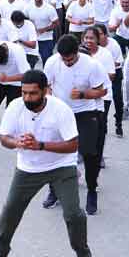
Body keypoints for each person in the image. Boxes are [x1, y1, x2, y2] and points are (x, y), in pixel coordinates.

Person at [0, 69, 92, 257]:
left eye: (32, 94)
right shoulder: (15, 107)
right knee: (10, 211)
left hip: (60, 167)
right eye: (24, 93)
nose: (27, 98)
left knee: (73, 215)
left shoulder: (60, 109)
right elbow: (4, 138)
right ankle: (0, 254)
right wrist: (18, 143)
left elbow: (73, 145)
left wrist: (40, 145)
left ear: (44, 91)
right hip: (28, 168)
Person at [42, 34, 108, 214]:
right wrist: (49, 100)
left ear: (77, 51)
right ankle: (54, 191)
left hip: (85, 112)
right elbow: (46, 85)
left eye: (70, 59)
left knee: (89, 153)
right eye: (63, 59)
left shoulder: (92, 65)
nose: (66, 63)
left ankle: (92, 191)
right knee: (54, 153)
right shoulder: (52, 62)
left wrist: (83, 94)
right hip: (60, 112)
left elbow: (102, 90)